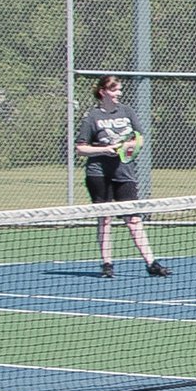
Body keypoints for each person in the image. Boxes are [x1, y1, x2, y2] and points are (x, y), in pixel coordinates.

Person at [77, 73, 167, 277]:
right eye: (114, 90)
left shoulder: (127, 112)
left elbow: (139, 138)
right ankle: (107, 264)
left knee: (134, 219)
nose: (119, 93)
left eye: (119, 90)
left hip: (125, 173)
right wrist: (104, 150)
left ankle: (151, 263)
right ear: (103, 92)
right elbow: (81, 149)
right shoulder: (92, 117)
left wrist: (126, 146)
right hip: (98, 174)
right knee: (105, 219)